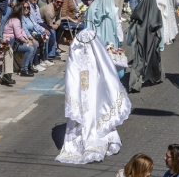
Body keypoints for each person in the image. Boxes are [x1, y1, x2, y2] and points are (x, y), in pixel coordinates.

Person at [56, 28, 131, 164]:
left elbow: (71, 75)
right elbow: (107, 71)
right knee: (99, 113)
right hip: (95, 90)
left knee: (85, 115)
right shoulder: (96, 51)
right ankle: (99, 140)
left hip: (81, 89)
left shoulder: (76, 49)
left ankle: (84, 140)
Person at [126, 0, 164, 93]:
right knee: (152, 61)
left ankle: (135, 83)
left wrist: (129, 42)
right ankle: (154, 78)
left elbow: (131, 29)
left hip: (139, 43)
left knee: (138, 62)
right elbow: (160, 30)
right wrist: (161, 45)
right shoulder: (156, 12)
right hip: (152, 44)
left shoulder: (138, 13)